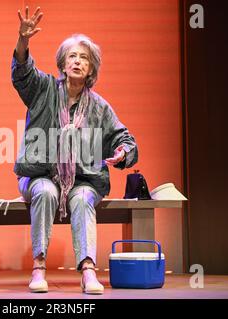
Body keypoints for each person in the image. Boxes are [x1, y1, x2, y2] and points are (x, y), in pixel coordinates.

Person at [12, 6, 138, 294]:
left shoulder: (100, 107)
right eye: (72, 56)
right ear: (63, 63)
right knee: (45, 191)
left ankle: (88, 270)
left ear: (91, 68)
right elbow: (22, 72)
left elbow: (125, 139)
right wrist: (23, 40)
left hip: (84, 181)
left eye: (84, 58)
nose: (77, 61)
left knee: (81, 199)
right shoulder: (42, 90)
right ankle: (39, 266)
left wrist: (122, 153)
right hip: (39, 174)